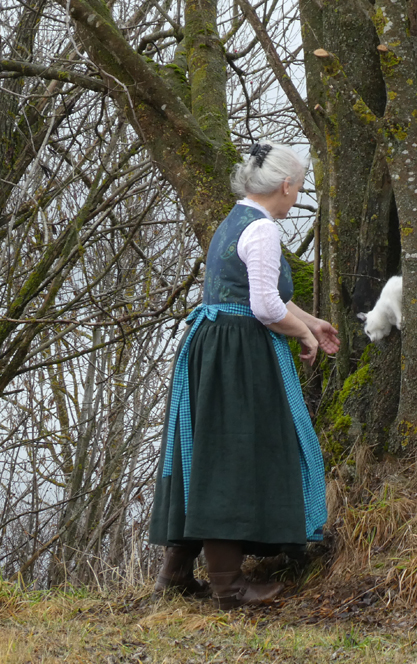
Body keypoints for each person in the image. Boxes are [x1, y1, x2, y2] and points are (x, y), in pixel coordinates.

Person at [148, 141, 340, 610]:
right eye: (298, 187)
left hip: (214, 347)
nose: (297, 196)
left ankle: (175, 574)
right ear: (286, 185)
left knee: (206, 454)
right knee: (230, 458)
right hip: (238, 354)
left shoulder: (237, 221)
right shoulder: (265, 231)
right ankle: (229, 586)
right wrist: (305, 337)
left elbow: (259, 290)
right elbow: (265, 306)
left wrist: (309, 321)